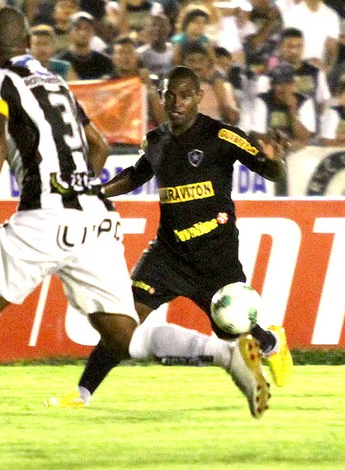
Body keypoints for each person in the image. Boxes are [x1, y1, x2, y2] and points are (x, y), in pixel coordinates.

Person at [0, 6, 141, 452]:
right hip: (91, 217)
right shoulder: (58, 81)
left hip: (43, 217)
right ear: (26, 42)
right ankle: (226, 353)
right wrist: (81, 189)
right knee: (123, 334)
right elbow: (97, 144)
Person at [47, 65, 293, 418]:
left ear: (197, 98)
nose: (176, 102)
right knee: (125, 322)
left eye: (184, 95)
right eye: (170, 95)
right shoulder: (157, 140)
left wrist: (278, 162)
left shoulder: (222, 136)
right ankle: (82, 392)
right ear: (162, 97)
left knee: (233, 330)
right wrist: (96, 192)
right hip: (168, 255)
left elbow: (268, 170)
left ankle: (271, 342)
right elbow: (135, 175)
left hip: (215, 257)